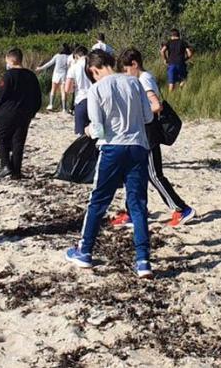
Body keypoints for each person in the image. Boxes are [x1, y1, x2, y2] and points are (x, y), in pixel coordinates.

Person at [65, 50, 156, 278]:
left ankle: (84, 251)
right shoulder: (135, 83)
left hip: (112, 147)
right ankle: (143, 260)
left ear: (95, 70)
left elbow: (98, 129)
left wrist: (87, 130)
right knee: (137, 203)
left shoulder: (96, 89)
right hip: (137, 147)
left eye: (92, 74)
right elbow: (148, 117)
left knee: (98, 200)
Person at [109, 48, 196, 228]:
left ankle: (182, 209)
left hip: (148, 133)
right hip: (139, 134)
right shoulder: (140, 79)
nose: (126, 74)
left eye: (126, 70)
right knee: (133, 174)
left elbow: (156, 105)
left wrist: (136, 115)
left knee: (154, 175)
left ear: (134, 64)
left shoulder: (144, 79)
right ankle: (132, 212)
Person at [0, 48, 42, 180]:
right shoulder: (31, 76)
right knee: (18, 142)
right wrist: (33, 111)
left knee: (2, 139)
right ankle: (16, 171)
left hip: (7, 113)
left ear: (10, 59)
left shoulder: (7, 76)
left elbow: (1, 93)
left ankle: (5, 166)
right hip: (24, 114)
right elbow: (38, 96)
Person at [65, 47, 94, 135]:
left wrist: (74, 87)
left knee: (81, 134)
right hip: (95, 99)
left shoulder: (74, 67)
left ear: (76, 56)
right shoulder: (94, 65)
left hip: (81, 99)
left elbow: (67, 89)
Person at [35, 44, 73, 111]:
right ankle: (64, 108)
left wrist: (40, 68)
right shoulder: (69, 57)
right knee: (63, 91)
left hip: (56, 74)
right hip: (64, 74)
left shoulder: (57, 56)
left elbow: (49, 63)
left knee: (53, 89)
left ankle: (51, 105)